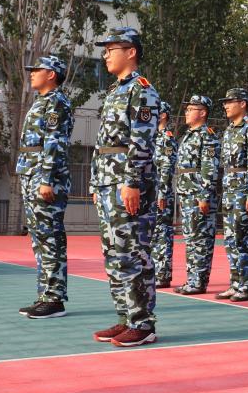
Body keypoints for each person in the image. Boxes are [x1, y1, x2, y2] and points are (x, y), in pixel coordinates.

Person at [90, 27, 161, 347]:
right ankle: (125, 316)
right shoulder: (115, 91)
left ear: (131, 52)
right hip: (108, 182)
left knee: (133, 251)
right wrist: (95, 181)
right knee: (114, 253)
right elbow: (102, 143)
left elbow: (142, 141)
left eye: (111, 49)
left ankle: (142, 323)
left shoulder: (142, 91)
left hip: (127, 183)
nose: (106, 54)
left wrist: (131, 181)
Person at [18, 55, 74, 319]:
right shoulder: (41, 101)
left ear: (51, 74)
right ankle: (45, 295)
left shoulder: (57, 103)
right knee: (39, 238)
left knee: (50, 238)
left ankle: (54, 299)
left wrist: (46, 179)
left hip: (44, 177)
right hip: (31, 174)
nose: (32, 73)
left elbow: (55, 143)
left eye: (37, 70)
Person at [213, 88, 248, 302]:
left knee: (244, 239)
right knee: (231, 239)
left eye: (230, 101)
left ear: (242, 104)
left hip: (243, 191)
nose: (225, 105)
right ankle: (235, 283)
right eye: (225, 102)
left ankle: (245, 285)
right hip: (230, 191)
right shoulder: (229, 131)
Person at [172, 95, 220, 295]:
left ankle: (198, 282)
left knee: (200, 240)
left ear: (203, 112)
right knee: (191, 239)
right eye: (187, 109)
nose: (187, 112)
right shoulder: (188, 135)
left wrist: (204, 195)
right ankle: (192, 279)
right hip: (186, 193)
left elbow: (210, 168)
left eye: (191, 109)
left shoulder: (207, 136)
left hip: (198, 194)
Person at [152, 105, 178, 289]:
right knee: (153, 234)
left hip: (161, 193)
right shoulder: (152, 137)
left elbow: (167, 167)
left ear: (162, 115)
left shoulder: (167, 138)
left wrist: (162, 192)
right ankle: (154, 271)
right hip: (150, 192)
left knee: (163, 235)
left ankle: (163, 274)